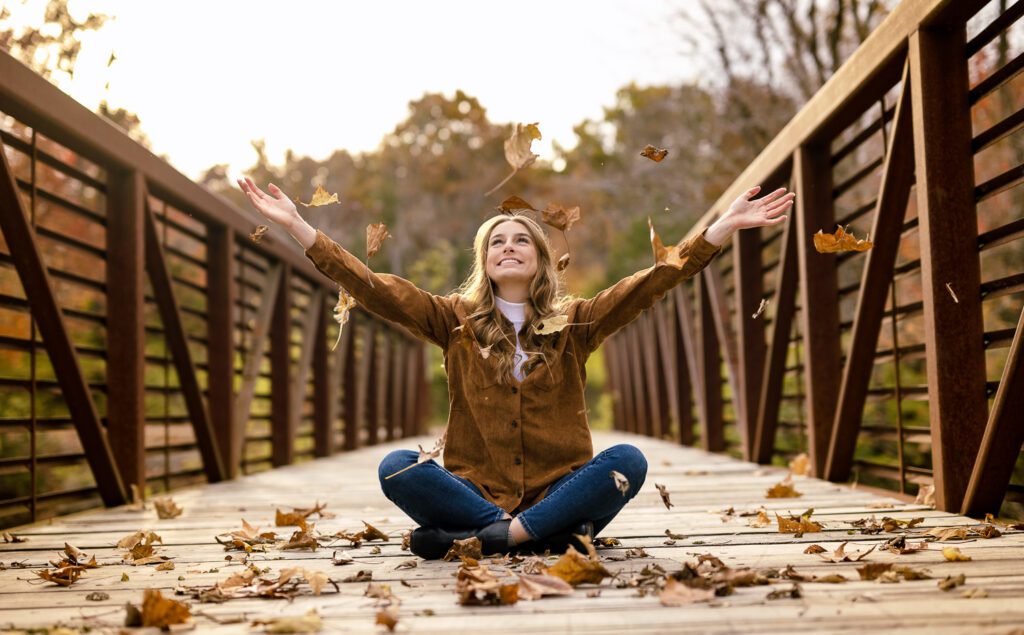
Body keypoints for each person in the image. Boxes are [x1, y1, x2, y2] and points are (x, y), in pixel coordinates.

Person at [237, 177, 794, 559]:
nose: (508, 246)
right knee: (396, 467)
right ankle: (532, 536)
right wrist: (297, 227)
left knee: (628, 459)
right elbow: (372, 288)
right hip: (478, 488)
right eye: (496, 241)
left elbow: (650, 284)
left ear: (539, 258)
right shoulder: (451, 319)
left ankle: (488, 538)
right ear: (484, 260)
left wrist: (717, 231)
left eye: (521, 239)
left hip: (560, 488)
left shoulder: (577, 321)